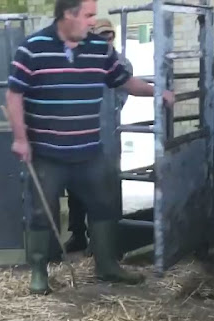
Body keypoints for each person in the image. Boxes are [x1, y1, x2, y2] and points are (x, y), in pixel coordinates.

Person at [6, 0, 175, 295]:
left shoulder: (99, 48)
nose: (92, 21)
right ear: (67, 15)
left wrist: (157, 92)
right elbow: (14, 94)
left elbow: (124, 81)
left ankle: (107, 265)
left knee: (105, 204)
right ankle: (38, 272)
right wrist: (20, 139)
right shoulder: (33, 47)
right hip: (47, 151)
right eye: (88, 15)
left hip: (88, 149)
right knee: (40, 211)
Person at [64, 17, 134, 254]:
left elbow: (119, 101)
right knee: (75, 187)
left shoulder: (122, 63)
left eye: (108, 35)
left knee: (102, 188)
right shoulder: (80, 58)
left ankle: (101, 240)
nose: (105, 39)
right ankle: (78, 234)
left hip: (105, 135)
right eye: (100, 34)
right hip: (77, 133)